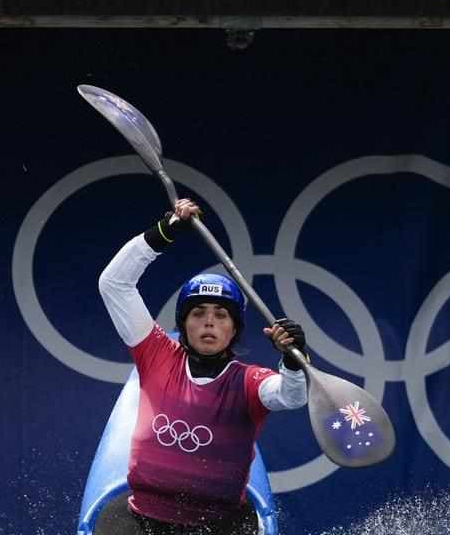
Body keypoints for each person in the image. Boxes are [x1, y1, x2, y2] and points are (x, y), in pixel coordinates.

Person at [95, 199, 308, 535]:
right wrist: (162, 233)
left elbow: (292, 397)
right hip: (141, 518)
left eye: (221, 315)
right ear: (184, 324)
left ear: (234, 329)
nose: (209, 322)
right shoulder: (156, 354)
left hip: (219, 525)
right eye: (198, 313)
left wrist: (294, 362)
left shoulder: (250, 381)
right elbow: (113, 283)